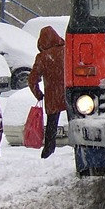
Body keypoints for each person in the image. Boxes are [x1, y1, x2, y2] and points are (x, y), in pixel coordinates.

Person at [28, 25, 66, 159]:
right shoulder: (66, 51)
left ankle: (48, 153)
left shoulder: (43, 57)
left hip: (53, 96)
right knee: (77, 121)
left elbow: (32, 79)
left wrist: (38, 94)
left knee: (51, 127)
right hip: (70, 94)